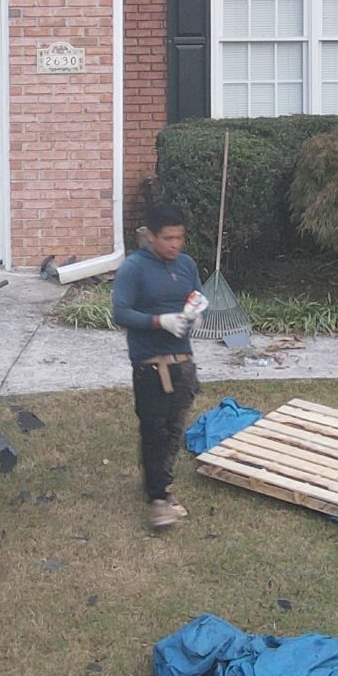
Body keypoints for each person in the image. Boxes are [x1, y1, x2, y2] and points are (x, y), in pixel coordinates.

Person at [111, 206, 206, 531]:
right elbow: (120, 313)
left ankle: (162, 486)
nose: (175, 244)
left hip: (183, 362)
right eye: (168, 238)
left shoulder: (186, 264)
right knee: (155, 432)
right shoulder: (134, 269)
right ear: (150, 237)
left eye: (179, 237)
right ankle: (158, 500)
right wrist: (158, 321)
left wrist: (195, 314)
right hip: (150, 365)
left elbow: (196, 296)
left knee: (175, 430)